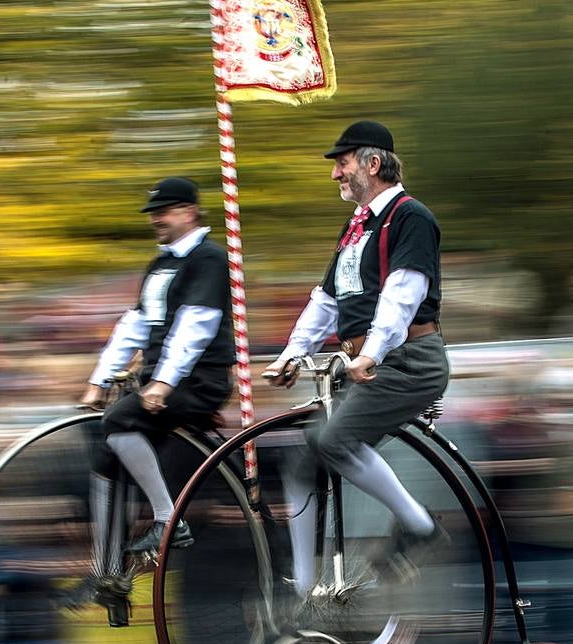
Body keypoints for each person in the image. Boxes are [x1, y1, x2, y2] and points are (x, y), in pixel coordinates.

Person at [262, 121, 450, 593]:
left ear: (373, 163)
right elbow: (327, 299)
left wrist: (371, 351)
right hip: (370, 362)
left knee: (332, 442)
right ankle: (305, 589)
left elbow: (402, 295)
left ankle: (420, 526)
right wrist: (292, 352)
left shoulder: (411, 218)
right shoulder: (357, 227)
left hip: (407, 360)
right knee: (302, 463)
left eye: (342, 163)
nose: (335, 174)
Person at [80, 177, 234, 581]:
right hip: (159, 381)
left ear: (188, 211)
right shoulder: (161, 264)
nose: (156, 220)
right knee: (104, 451)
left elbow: (196, 326)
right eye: (153, 213)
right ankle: (108, 574)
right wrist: (100, 379)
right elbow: (133, 325)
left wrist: (163, 383)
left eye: (163, 212)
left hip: (197, 381)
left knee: (118, 422)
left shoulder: (209, 259)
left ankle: (169, 520)